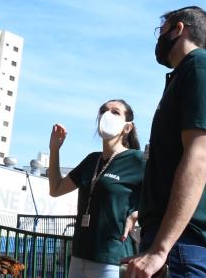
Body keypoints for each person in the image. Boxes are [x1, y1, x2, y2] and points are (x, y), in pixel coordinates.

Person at [123, 6, 206, 278]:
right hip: (174, 244)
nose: (158, 38)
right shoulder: (186, 75)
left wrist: (160, 249)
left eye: (160, 30)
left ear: (179, 29)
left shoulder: (201, 70)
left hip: (183, 248)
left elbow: (199, 159)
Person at [48, 99, 144, 278]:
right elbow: (56, 189)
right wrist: (54, 150)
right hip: (79, 255)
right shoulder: (92, 160)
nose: (107, 115)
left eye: (115, 112)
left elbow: (165, 196)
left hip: (112, 259)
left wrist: (138, 213)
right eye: (103, 110)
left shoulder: (137, 160)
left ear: (127, 128)